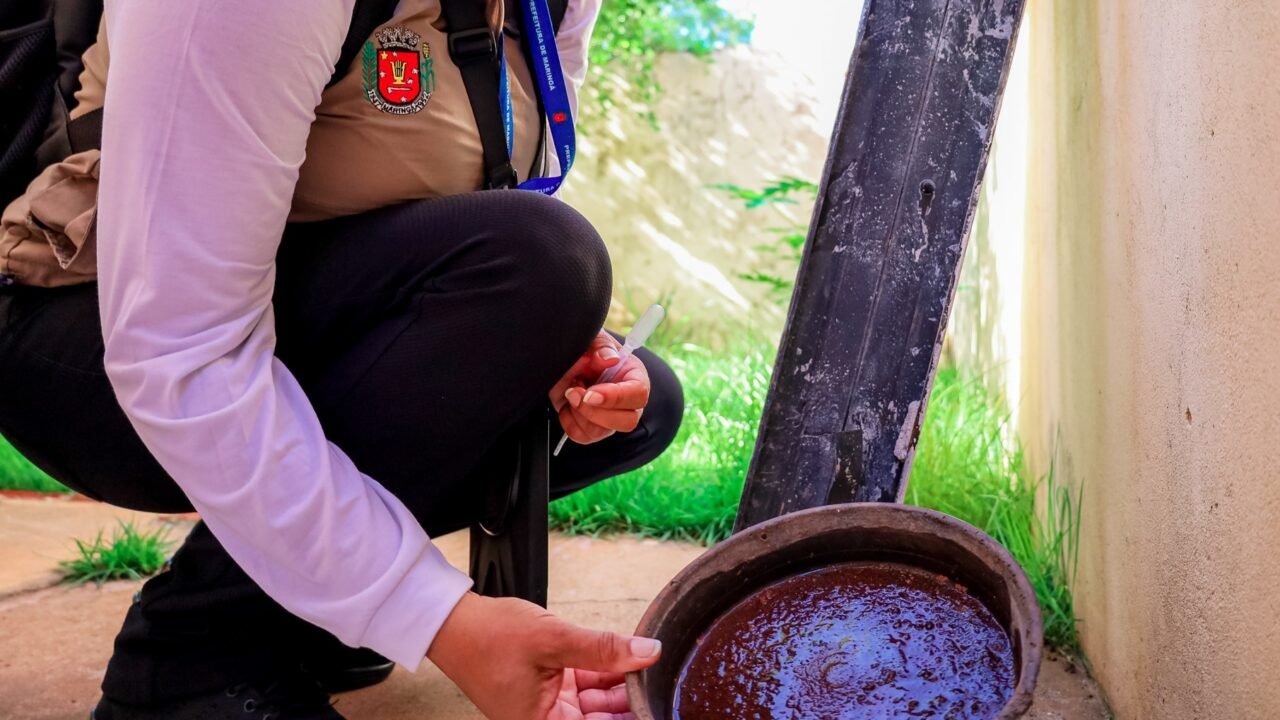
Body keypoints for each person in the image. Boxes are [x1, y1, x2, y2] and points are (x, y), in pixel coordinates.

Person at [0, 1, 684, 718]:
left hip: (289, 311)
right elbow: (179, 351)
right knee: (547, 261)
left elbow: (495, 198)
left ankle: (297, 609)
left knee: (632, 402)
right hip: (97, 341)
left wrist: (549, 343)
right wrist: (436, 618)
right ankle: (190, 661)